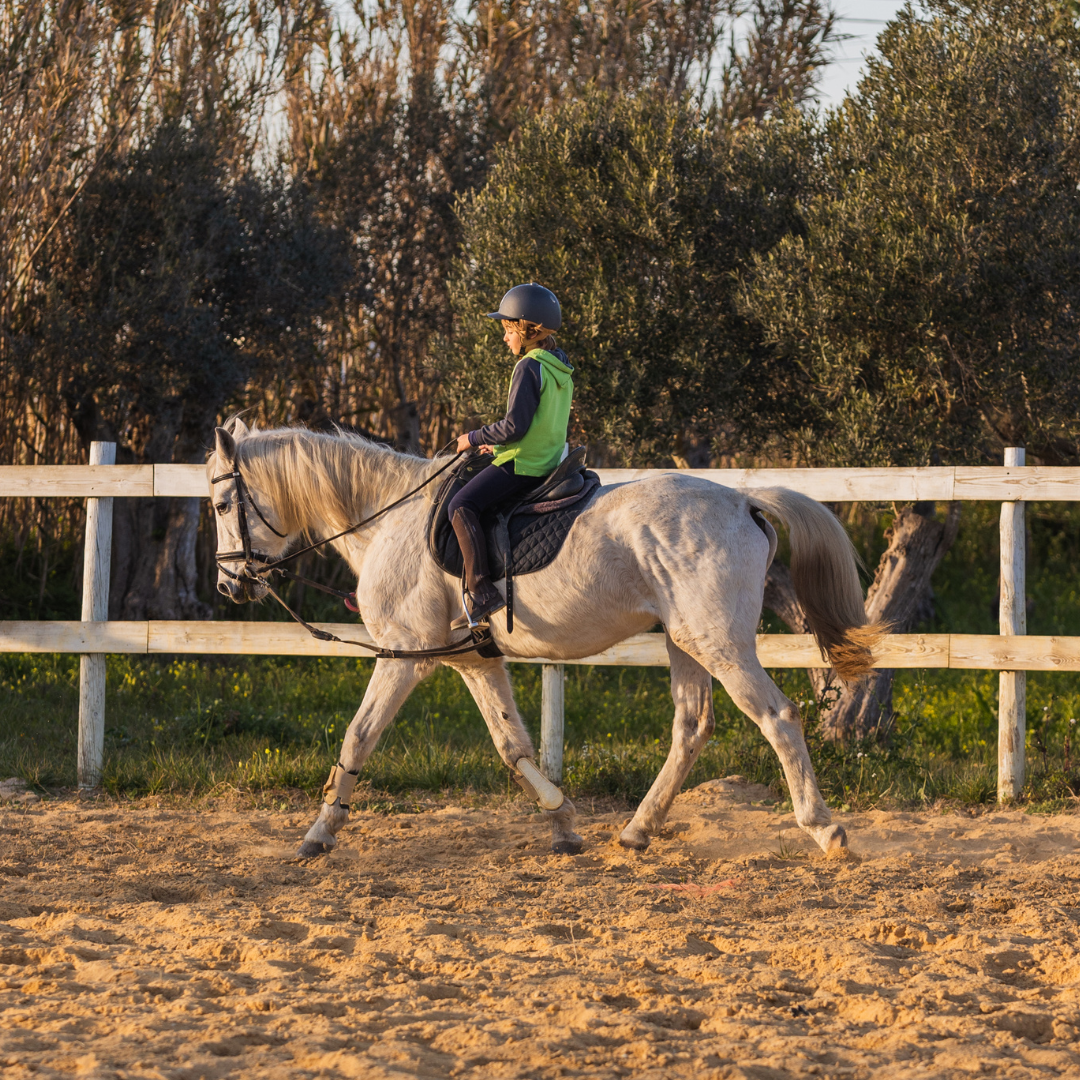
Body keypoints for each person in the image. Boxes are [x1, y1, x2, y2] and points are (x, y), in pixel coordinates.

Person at [450, 282, 574, 626]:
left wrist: (472, 438)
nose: (505, 338)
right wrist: (498, 445)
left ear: (527, 329)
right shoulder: (559, 368)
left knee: (460, 505)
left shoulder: (529, 367)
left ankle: (481, 592)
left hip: (523, 465)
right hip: (547, 461)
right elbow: (539, 426)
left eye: (508, 330)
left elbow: (515, 426)